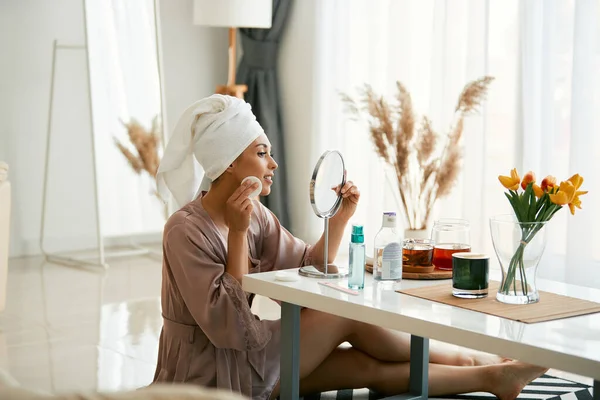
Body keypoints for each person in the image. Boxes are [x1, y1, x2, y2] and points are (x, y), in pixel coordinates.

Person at [152, 95, 547, 400]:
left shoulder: (256, 214)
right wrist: (237, 235)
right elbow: (229, 328)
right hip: (209, 374)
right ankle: (477, 357)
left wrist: (339, 218)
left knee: (362, 365)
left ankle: (493, 377)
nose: (273, 163)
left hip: (251, 351)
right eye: (261, 153)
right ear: (228, 163)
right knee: (343, 315)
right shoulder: (184, 230)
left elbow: (310, 265)